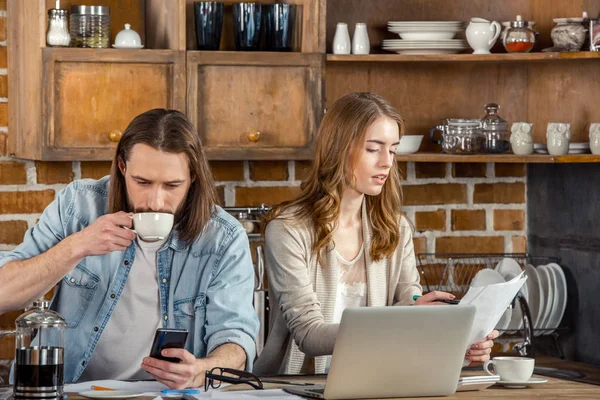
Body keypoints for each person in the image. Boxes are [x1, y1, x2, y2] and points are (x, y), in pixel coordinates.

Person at [0, 109, 259, 388]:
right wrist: (76, 246)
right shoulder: (77, 206)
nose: (155, 202)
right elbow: (4, 293)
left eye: (172, 185)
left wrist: (203, 369)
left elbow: (237, 338)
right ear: (122, 168)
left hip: (162, 394)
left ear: (193, 176)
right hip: (67, 390)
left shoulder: (223, 237)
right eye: (142, 182)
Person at [253, 92, 499, 375]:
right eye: (373, 148)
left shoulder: (396, 229)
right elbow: (308, 335)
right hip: (294, 386)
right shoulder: (287, 230)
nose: (386, 162)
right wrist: (405, 318)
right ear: (337, 148)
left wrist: (457, 337)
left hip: (377, 381)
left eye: (393, 150)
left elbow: (411, 302)